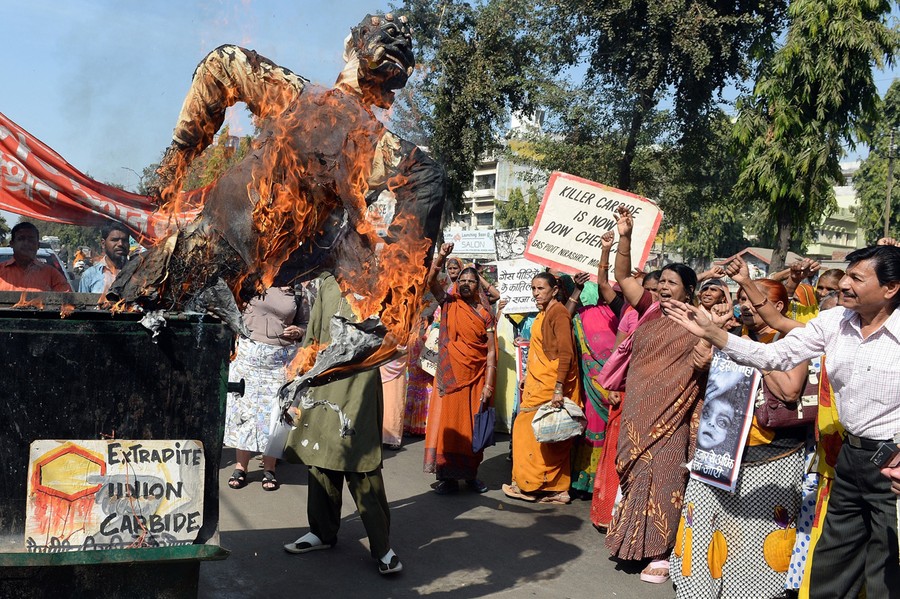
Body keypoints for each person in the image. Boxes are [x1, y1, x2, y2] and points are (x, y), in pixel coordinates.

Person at [663, 243, 900, 598]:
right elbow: (774, 354)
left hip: (893, 462)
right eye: (846, 275)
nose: (844, 285)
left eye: (856, 278)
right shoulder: (835, 322)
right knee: (833, 560)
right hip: (850, 459)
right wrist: (714, 334)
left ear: (890, 289)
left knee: (886, 565)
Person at [670, 278, 810, 597]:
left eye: (753, 299)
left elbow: (789, 391)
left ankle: (749, 592)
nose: (745, 305)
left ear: (777, 307)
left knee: (752, 535)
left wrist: (752, 353)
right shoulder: (733, 334)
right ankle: (699, 590)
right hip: (720, 451)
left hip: (770, 457)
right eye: (742, 299)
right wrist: (713, 332)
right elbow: (700, 362)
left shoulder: (793, 340)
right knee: (702, 522)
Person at [602, 206, 708, 585]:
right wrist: (625, 236)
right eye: (660, 281)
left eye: (672, 283)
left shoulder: (699, 322)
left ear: (689, 290)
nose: (663, 287)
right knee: (634, 476)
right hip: (637, 410)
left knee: (665, 479)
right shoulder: (649, 311)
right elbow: (620, 276)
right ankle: (632, 543)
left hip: (672, 413)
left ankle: (661, 553)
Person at [282, 270, 401, 575]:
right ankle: (321, 532)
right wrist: (302, 373)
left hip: (359, 381)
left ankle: (382, 546)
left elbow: (395, 331)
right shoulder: (328, 282)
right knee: (320, 457)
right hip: (324, 378)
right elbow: (314, 334)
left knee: (360, 464)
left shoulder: (381, 280)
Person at [423, 243, 496, 494]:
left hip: (477, 378)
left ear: (478, 286)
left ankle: (471, 475)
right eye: (462, 280)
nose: (465, 283)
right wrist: (441, 255)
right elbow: (431, 281)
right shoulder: (449, 302)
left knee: (471, 428)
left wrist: (489, 384)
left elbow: (492, 351)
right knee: (451, 427)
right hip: (451, 374)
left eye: (471, 281)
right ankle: (448, 478)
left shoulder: (485, 314)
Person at [502, 271, 581, 505]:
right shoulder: (545, 312)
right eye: (533, 288)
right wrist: (528, 375)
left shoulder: (558, 314)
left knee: (533, 432)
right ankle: (556, 489)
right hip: (538, 382)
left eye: (541, 289)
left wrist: (558, 389)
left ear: (554, 290)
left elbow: (565, 353)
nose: (535, 293)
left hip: (550, 385)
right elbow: (540, 350)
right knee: (548, 436)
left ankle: (533, 485)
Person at [223, 286, 304, 491]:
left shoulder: (298, 290)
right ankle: (241, 467)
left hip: (280, 361)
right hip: (248, 358)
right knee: (245, 414)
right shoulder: (258, 277)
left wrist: (299, 331)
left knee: (274, 416)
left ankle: (270, 469)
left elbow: (305, 322)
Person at [567, 231, 625, 496]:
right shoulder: (580, 314)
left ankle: (608, 480)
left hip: (615, 383)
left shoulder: (620, 312)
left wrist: (608, 250)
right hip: (591, 385)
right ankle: (587, 481)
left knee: (612, 429)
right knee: (592, 425)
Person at [0, 222, 71, 292]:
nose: (26, 243)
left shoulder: (51, 274)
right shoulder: (1, 271)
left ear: (38, 245)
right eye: (21, 239)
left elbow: (67, 300)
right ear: (12, 244)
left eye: (31, 240)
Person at [78, 223, 130, 294]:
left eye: (124, 240)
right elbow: (81, 303)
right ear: (103, 244)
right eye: (115, 240)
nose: (120, 244)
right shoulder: (90, 275)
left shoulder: (138, 274)